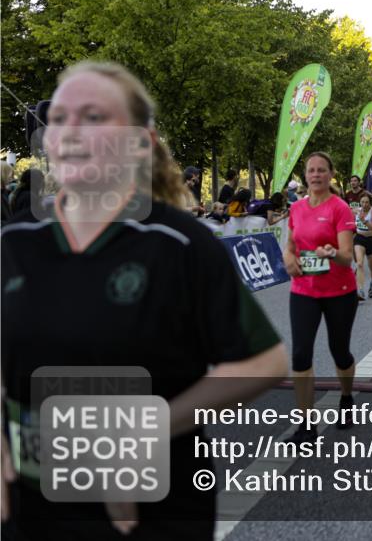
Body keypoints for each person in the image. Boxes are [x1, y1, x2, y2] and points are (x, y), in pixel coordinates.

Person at [1, 61, 286, 539]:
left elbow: (264, 362)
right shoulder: (13, 241)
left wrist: (142, 435)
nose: (71, 131)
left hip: (153, 506)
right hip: (30, 505)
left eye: (94, 117)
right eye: (59, 118)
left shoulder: (180, 244)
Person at [282, 151, 359, 443]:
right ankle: (306, 425)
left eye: (321, 170)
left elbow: (347, 256)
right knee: (301, 354)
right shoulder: (297, 209)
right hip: (303, 291)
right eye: (311, 170)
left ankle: (347, 398)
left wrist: (332, 254)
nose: (315, 175)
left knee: (340, 352)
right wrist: (289, 258)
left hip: (339, 292)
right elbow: (290, 245)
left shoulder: (340, 209)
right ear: (305, 175)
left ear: (330, 174)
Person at [352, 194, 372, 300]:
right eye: (362, 202)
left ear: (370, 203)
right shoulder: (356, 210)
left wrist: (364, 221)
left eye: (366, 202)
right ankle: (360, 290)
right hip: (360, 238)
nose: (364, 204)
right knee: (359, 263)